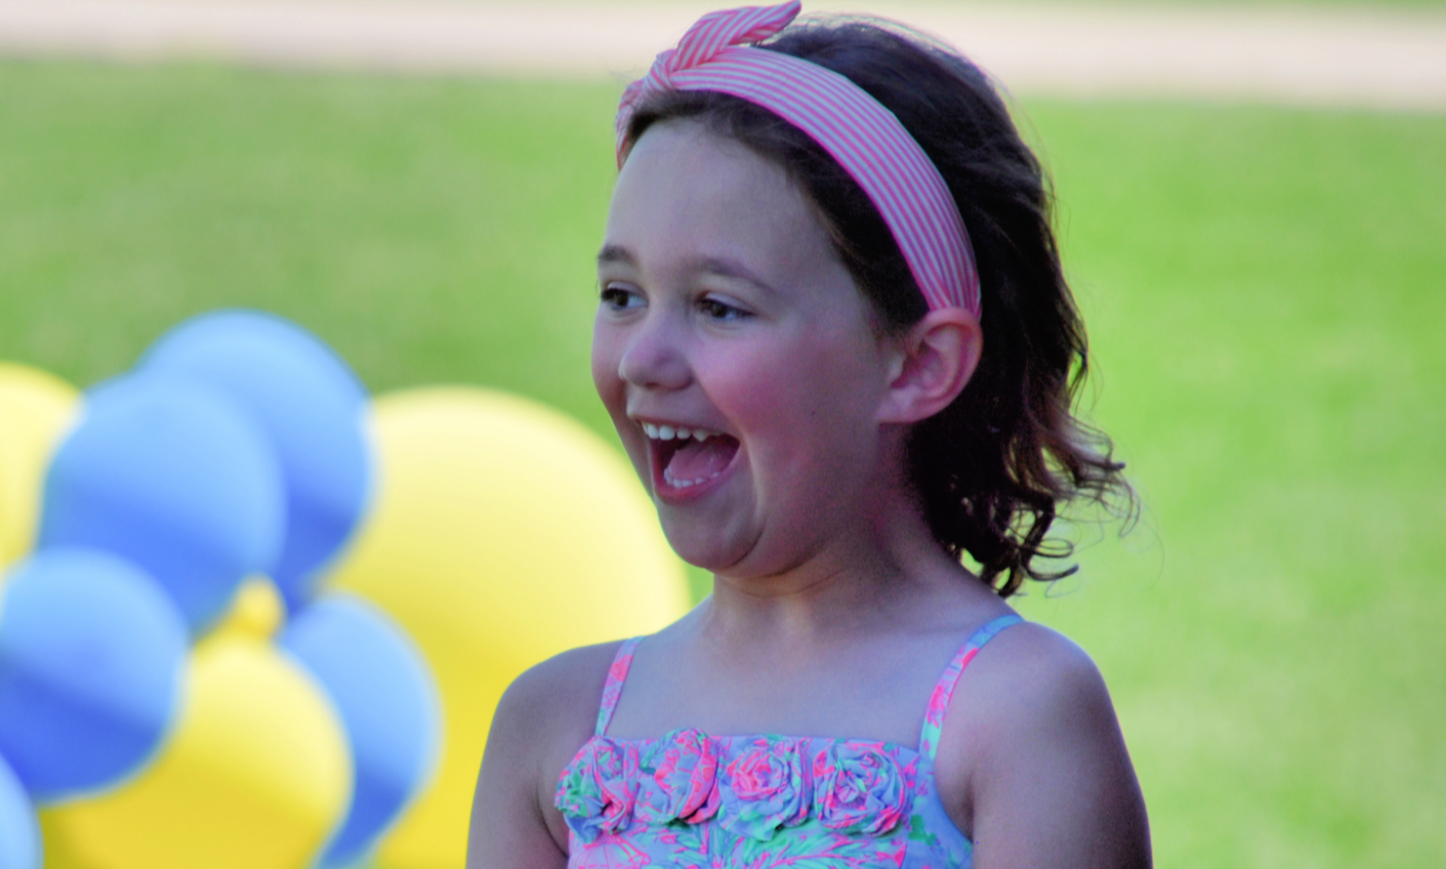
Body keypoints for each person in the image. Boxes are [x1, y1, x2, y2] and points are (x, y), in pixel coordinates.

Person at [466, 4, 1151, 867]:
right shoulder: (557, 723)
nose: (643, 355)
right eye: (621, 295)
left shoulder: (1009, 716)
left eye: (719, 306)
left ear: (915, 364)